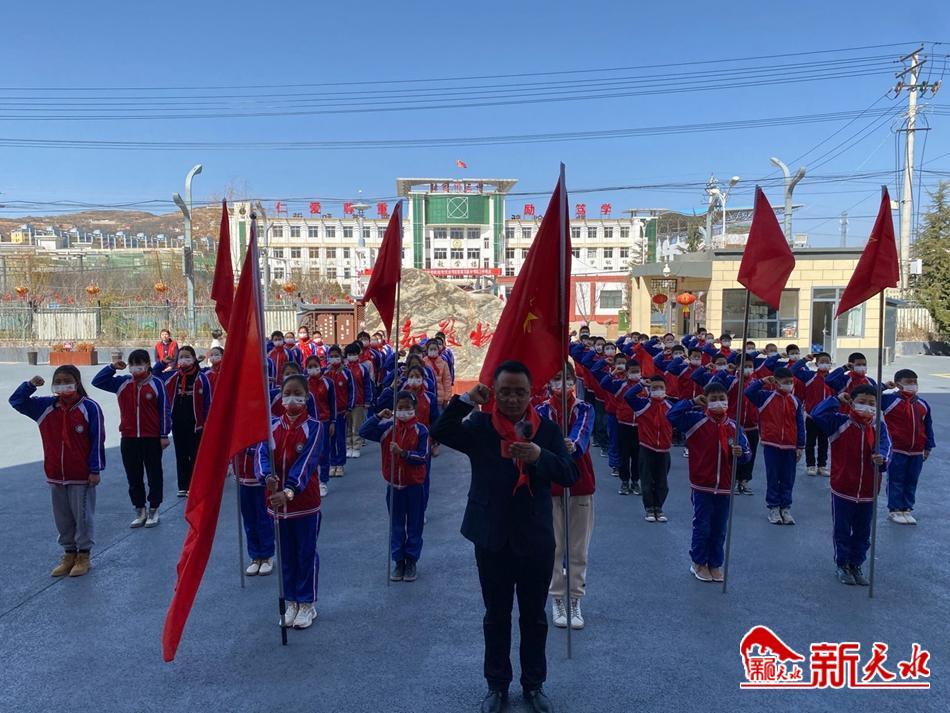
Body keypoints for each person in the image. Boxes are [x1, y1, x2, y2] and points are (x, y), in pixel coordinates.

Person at [431, 361, 577, 713]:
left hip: (535, 538)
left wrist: (540, 456)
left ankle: (534, 685)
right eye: (506, 392)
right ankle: (497, 685)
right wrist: (466, 400)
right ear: (494, 393)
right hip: (491, 535)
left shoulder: (545, 430)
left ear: (530, 394)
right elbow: (441, 430)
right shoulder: (481, 426)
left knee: (534, 617)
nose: (513, 399)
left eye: (520, 392)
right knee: (496, 616)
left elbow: (569, 473)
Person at [10, 367, 105, 577]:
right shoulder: (45, 407)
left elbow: (97, 439)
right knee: (62, 518)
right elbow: (16, 401)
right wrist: (29, 386)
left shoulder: (89, 407)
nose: (63, 385)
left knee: (82, 517)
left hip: (81, 474)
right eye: (58, 381)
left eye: (67, 380)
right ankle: (69, 554)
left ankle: (84, 556)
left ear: (77, 382)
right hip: (55, 473)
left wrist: (95, 469)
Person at [257, 374, 324, 629]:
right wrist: (267, 477)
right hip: (276, 504)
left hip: (304, 503)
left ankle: (307, 603)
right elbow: (262, 454)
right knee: (286, 555)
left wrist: (288, 491)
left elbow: (307, 463)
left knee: (305, 553)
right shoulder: (272, 427)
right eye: (287, 394)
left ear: (306, 397)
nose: (292, 399)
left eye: (297, 394)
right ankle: (292, 601)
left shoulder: (314, 427)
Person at [667, 383, 750, 583]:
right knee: (702, 526)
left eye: (722, 398)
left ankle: (715, 563)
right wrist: (691, 402)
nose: (718, 402)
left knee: (719, 528)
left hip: (725, 486)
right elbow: (671, 416)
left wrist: (741, 454)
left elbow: (746, 454)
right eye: (713, 399)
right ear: (705, 401)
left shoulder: (734, 426)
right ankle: (698, 562)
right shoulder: (695, 420)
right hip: (702, 484)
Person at [811, 386, 891, 586]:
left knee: (863, 533)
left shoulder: (878, 426)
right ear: (852, 402)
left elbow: (887, 446)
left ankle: (856, 564)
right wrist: (836, 400)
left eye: (872, 403)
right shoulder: (839, 422)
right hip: (843, 488)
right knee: (842, 530)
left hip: (869, 490)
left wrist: (882, 458)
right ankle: (842, 564)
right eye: (862, 402)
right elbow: (817, 414)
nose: (867, 407)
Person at [536, 366, 595, 631]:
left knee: (578, 547)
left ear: (574, 381)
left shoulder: (584, 408)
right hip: (550, 486)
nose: (562, 383)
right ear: (549, 382)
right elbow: (539, 439)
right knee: (554, 546)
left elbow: (582, 432)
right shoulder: (541, 410)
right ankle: (558, 597)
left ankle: (574, 598)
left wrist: (572, 444)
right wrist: (556, 448)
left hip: (580, 483)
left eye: (566, 378)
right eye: (557, 378)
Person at [93, 349, 170, 528]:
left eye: (140, 363)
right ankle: (140, 510)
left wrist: (164, 434)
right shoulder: (122, 383)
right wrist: (112, 367)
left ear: (148, 364)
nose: (136, 367)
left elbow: (164, 410)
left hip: (151, 438)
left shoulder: (157, 383)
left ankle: (154, 509)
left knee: (154, 475)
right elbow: (97, 381)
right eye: (133, 364)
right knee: (133, 477)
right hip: (129, 438)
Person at [360, 391, 431, 582]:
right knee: (397, 525)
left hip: (414, 486)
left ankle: (411, 560)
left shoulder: (421, 430)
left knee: (414, 525)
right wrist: (377, 417)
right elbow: (363, 432)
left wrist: (403, 453)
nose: (403, 411)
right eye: (400, 407)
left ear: (414, 408)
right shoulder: (387, 428)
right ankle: (399, 561)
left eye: (407, 407)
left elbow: (423, 456)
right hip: (393, 486)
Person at [744, 369, 805, 525]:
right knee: (773, 477)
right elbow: (748, 392)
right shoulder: (765, 397)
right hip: (771, 445)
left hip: (790, 446)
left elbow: (800, 424)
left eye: (791, 382)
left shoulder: (795, 401)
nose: (789, 385)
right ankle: (773, 508)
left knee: (788, 478)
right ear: (776, 382)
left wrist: (800, 445)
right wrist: (762, 381)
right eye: (785, 382)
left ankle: (785, 508)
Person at [156, 346, 211, 497]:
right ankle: (183, 486)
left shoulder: (202, 378)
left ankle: (195, 485)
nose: (184, 360)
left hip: (196, 425)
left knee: (195, 456)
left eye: (187, 357)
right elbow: (155, 375)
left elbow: (208, 403)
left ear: (193, 359)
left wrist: (206, 424)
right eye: (181, 357)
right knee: (181, 455)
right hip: (178, 423)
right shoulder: (173, 376)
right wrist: (163, 363)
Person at [881, 369, 935, 524]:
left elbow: (928, 426)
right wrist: (884, 386)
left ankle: (907, 508)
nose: (913, 385)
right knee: (896, 479)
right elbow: (869, 392)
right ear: (898, 384)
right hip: (897, 449)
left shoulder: (922, 404)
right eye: (908, 382)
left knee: (912, 480)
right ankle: (895, 509)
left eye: (915, 382)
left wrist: (928, 447)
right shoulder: (889, 401)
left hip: (917, 450)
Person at [624, 375, 673, 522]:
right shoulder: (642, 405)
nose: (658, 390)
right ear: (649, 390)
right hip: (647, 448)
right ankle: (649, 508)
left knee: (662, 482)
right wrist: (641, 385)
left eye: (661, 388)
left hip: (664, 450)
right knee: (647, 480)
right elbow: (628, 396)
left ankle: (659, 507)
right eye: (654, 388)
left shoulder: (670, 407)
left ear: (666, 389)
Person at [598, 358, 642, 496]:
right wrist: (613, 372)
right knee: (624, 455)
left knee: (637, 456)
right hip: (623, 425)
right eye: (632, 372)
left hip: (640, 427)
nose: (635, 374)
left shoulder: (645, 386)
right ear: (627, 373)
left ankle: (635, 482)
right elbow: (604, 383)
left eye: (638, 371)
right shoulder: (620, 385)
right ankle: (624, 482)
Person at [234, 445, 274, 576]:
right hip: (242, 475)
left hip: (260, 478)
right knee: (249, 519)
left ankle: (267, 555)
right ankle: (255, 556)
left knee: (264, 519)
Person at [791, 353, 834, 476]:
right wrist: (804, 360)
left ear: (831, 364)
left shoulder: (834, 378)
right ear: (816, 364)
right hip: (812, 417)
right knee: (810, 442)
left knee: (824, 443)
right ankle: (810, 465)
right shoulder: (810, 376)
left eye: (827, 361)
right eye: (822, 362)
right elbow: (792, 371)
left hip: (827, 418)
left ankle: (822, 466)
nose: (825, 364)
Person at [305, 355, 336, 498]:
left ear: (320, 366)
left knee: (324, 452)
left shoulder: (328, 383)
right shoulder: (304, 384)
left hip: (324, 422)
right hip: (309, 423)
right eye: (310, 367)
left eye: (315, 366)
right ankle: (311, 481)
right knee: (310, 452)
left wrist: (333, 422)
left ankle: (323, 481)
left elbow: (333, 403)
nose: (313, 369)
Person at [323, 345, 354, 480]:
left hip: (342, 412)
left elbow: (352, 391)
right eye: (331, 356)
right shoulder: (325, 373)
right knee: (330, 439)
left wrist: (349, 408)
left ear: (341, 357)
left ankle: (340, 464)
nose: (334, 358)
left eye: (336, 356)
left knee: (340, 439)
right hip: (328, 413)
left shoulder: (346, 373)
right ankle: (332, 463)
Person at [344, 341, 374, 459]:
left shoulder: (363, 369)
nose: (352, 356)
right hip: (345, 403)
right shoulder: (344, 369)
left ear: (358, 354)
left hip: (359, 402)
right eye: (349, 354)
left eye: (354, 354)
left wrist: (367, 400)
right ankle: (348, 446)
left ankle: (356, 447)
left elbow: (367, 385)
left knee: (356, 426)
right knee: (347, 426)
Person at [424, 338, 452, 408]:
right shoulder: (423, 362)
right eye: (431, 349)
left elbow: (447, 381)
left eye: (435, 349)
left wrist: (446, 398)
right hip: (426, 398)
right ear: (427, 350)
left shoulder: (443, 363)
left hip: (439, 399)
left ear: (438, 350)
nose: (433, 351)